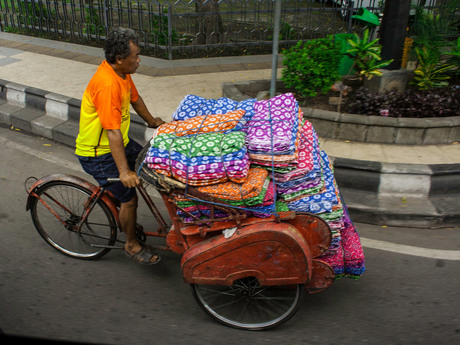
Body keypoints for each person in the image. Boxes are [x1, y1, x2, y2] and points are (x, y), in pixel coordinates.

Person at [75, 27, 164, 265]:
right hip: (98, 154)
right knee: (130, 198)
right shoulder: (107, 85)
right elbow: (112, 131)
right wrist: (124, 172)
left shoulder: (122, 75)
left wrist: (152, 121)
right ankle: (132, 244)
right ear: (119, 59)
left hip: (118, 144)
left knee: (155, 161)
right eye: (135, 56)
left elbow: (135, 99)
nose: (139, 60)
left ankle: (107, 192)